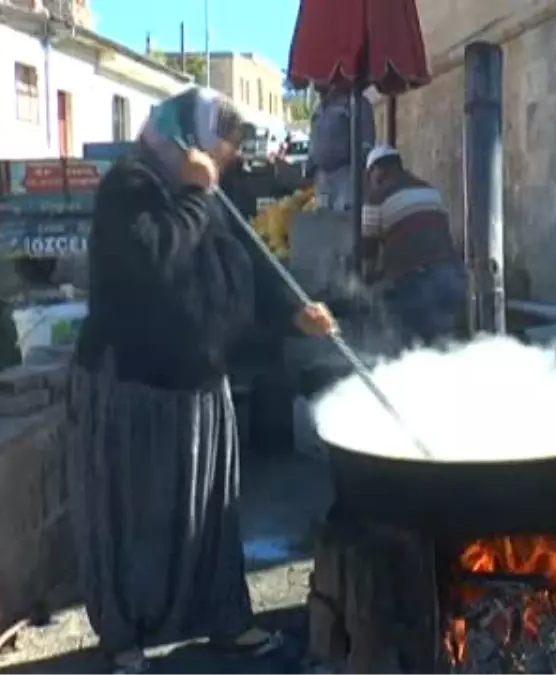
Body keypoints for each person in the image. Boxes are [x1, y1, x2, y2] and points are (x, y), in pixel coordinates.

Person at [67, 87, 337, 675]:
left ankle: (223, 618)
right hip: (134, 385)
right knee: (131, 515)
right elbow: (157, 259)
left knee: (212, 513)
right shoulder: (131, 186)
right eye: (225, 145)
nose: (232, 159)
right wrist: (193, 190)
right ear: (191, 136)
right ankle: (124, 635)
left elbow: (243, 260)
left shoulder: (211, 189)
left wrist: (291, 311)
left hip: (198, 380)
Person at [361, 145, 466, 347]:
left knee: (414, 343)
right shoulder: (430, 190)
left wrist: (365, 282)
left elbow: (369, 250)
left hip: (415, 283)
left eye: (371, 174)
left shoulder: (377, 199)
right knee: (446, 342)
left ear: (377, 171)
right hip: (450, 275)